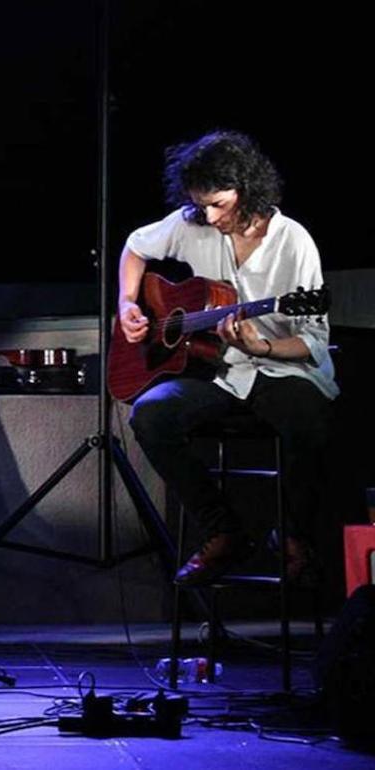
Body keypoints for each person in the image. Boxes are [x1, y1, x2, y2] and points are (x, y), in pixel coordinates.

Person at [118, 130, 337, 586]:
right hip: (217, 372)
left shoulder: (293, 241)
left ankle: (293, 536)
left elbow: (313, 341)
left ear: (247, 189)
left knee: (309, 417)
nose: (211, 216)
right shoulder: (191, 222)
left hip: (281, 368)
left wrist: (263, 346)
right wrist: (127, 304)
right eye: (202, 206)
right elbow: (135, 247)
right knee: (150, 414)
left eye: (219, 204)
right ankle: (224, 531)